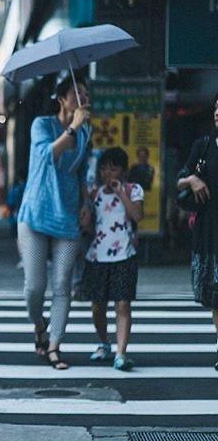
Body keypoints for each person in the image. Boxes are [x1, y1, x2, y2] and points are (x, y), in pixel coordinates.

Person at [16, 77, 92, 369]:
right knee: (34, 287)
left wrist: (86, 204)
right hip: (36, 213)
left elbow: (82, 172)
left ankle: (54, 345)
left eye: (85, 93)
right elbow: (48, 155)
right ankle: (39, 324)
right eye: (77, 93)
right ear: (62, 98)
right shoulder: (42, 125)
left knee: (63, 284)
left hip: (68, 215)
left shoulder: (87, 133)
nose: (83, 97)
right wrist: (73, 126)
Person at [82, 147, 144, 371]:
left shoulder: (133, 189)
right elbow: (87, 226)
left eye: (114, 168)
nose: (108, 173)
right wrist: (85, 217)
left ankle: (121, 353)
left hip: (124, 255)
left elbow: (137, 215)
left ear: (123, 171)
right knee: (97, 306)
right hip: (97, 256)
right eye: (104, 168)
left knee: (123, 304)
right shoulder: (94, 193)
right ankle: (103, 342)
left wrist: (121, 193)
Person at [177, 94, 218, 369]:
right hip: (210, 233)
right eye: (217, 107)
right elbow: (179, 182)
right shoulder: (203, 146)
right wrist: (191, 180)